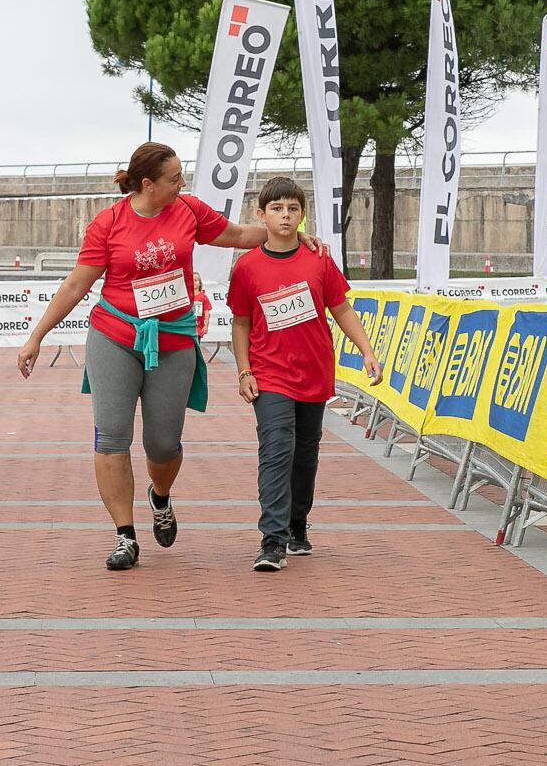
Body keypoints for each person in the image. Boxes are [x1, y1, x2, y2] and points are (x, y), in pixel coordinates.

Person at [17, 142, 320, 571]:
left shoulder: (188, 211)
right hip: (115, 335)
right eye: (175, 178)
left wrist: (287, 235)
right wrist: (36, 337)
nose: (182, 184)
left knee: (162, 443)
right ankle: (125, 536)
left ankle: (160, 497)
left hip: (174, 339)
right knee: (112, 436)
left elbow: (235, 235)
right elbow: (75, 285)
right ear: (148, 184)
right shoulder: (108, 224)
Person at [229, 178, 381, 572]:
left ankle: (297, 524)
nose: (285, 215)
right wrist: (244, 369)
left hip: (314, 373)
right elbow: (241, 323)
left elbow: (342, 309)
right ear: (260, 215)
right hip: (270, 376)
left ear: (303, 214)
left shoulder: (319, 260)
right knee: (276, 450)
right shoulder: (246, 267)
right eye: (277, 208)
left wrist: (367, 351)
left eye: (293, 209)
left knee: (305, 455)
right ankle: (272, 540)